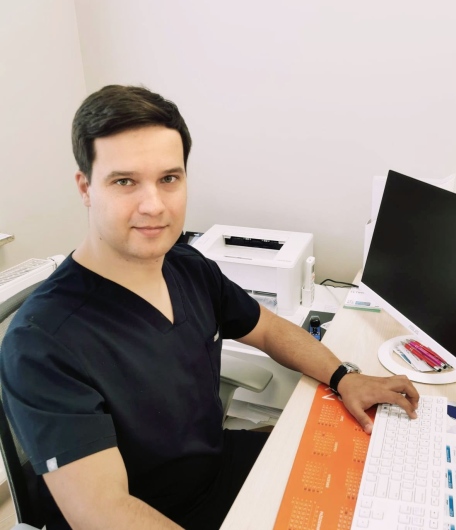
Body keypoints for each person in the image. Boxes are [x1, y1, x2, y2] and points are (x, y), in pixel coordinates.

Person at [0, 85, 419, 530]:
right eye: (125, 181)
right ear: (85, 187)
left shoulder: (187, 265)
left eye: (169, 179)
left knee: (382, 484)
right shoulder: (40, 343)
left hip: (217, 473)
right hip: (154, 515)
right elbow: (103, 511)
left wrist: (344, 377)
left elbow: (268, 328)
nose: (154, 205)